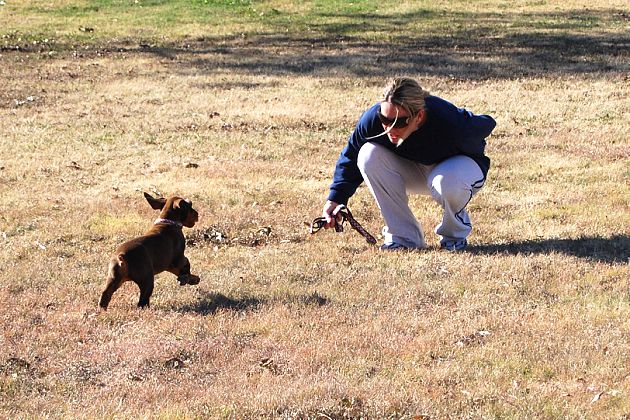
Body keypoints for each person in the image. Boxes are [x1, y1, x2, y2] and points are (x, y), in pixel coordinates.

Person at [321, 77, 496, 251]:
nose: (389, 128)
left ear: (419, 116)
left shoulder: (448, 121)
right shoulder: (373, 122)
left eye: (399, 122)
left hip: (459, 171)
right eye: (385, 119)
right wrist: (335, 199)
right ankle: (404, 238)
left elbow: (486, 124)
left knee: (446, 182)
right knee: (368, 154)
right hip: (418, 172)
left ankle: (454, 237)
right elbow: (351, 156)